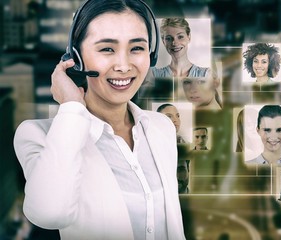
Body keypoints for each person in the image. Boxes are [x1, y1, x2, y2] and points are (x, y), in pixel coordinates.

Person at [13, 0, 185, 239]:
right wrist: (72, 107)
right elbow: (49, 214)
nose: (124, 66)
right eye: (107, 49)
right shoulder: (37, 135)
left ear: (151, 54)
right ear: (77, 57)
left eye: (137, 48)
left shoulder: (161, 127)